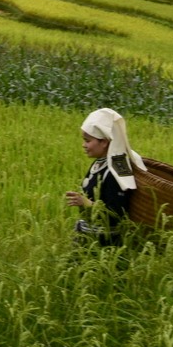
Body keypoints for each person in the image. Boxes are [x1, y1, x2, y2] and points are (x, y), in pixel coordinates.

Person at [64, 107, 144, 250]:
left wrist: (86, 203)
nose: (84, 145)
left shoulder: (118, 170)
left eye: (88, 141)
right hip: (89, 240)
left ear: (105, 142)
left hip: (105, 246)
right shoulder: (100, 163)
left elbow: (116, 214)